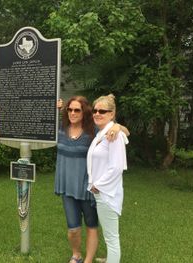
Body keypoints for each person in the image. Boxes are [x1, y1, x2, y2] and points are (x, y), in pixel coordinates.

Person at [55, 96, 128, 263]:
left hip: (89, 187)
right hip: (68, 185)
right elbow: (39, 124)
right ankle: (76, 255)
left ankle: (88, 260)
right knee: (73, 228)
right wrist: (53, 109)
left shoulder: (94, 130)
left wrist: (117, 126)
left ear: (84, 112)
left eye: (77, 110)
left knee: (93, 226)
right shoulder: (61, 129)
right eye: (70, 109)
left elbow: (124, 133)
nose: (73, 113)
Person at [87, 94, 128, 263]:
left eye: (102, 111)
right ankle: (110, 258)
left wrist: (98, 185)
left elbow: (117, 167)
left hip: (106, 193)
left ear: (112, 114)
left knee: (111, 237)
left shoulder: (114, 135)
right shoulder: (102, 133)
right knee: (109, 233)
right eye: (95, 110)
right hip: (101, 191)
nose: (97, 113)